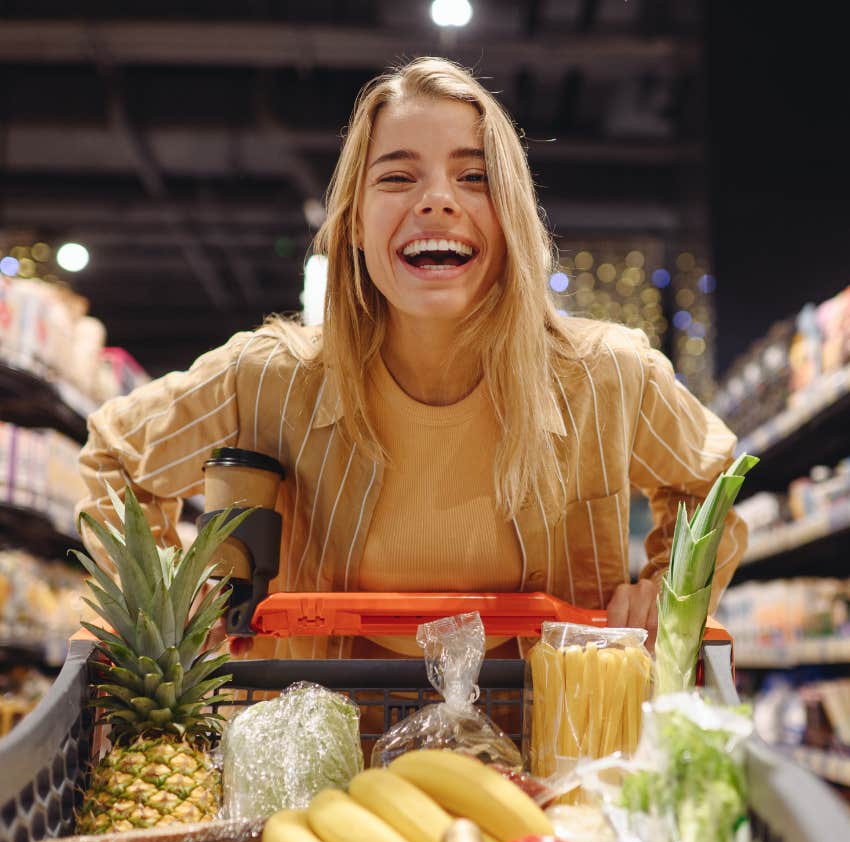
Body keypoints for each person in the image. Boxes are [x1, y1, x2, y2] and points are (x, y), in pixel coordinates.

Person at [76, 57, 747, 661]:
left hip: (553, 762)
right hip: (325, 771)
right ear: (355, 227)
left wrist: (669, 590)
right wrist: (164, 606)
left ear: (511, 218)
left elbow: (712, 484)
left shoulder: (609, 376)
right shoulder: (268, 378)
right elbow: (116, 455)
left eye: (474, 177)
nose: (436, 199)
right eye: (397, 175)